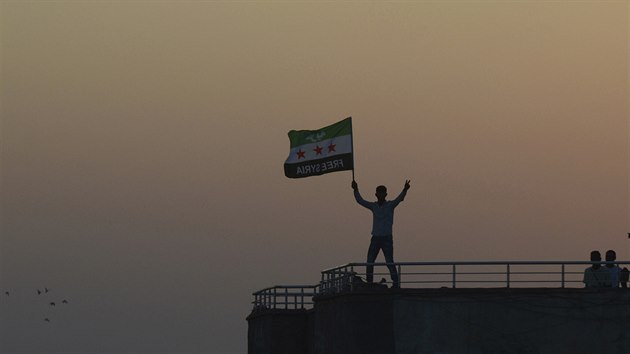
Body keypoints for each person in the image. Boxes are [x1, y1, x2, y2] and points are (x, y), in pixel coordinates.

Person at [352, 179, 410, 288]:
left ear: (386, 194)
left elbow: (399, 199)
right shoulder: (374, 206)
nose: (381, 195)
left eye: (382, 193)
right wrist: (355, 189)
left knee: (389, 262)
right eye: (379, 193)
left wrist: (405, 189)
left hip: (386, 238)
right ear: (376, 194)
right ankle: (369, 284)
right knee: (370, 262)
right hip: (376, 238)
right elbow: (360, 201)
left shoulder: (390, 205)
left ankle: (396, 283)